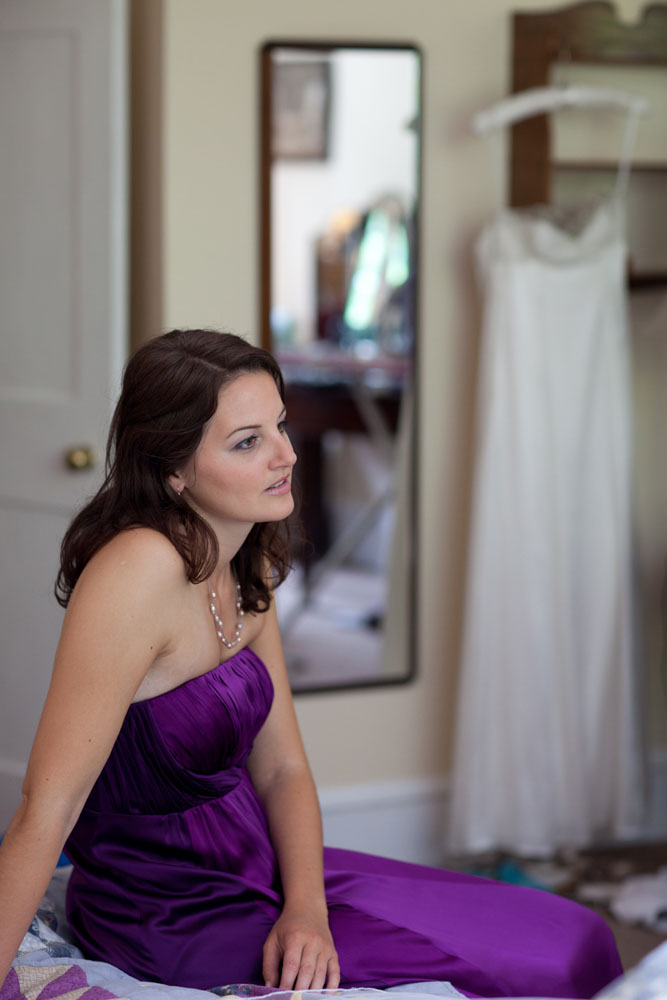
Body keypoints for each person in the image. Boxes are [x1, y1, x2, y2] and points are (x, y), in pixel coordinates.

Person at [0, 330, 622, 998]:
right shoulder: (134, 573)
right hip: (170, 916)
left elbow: (283, 768)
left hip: (262, 869)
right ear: (173, 468)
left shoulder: (245, 554)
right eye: (248, 441)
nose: (286, 454)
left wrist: (306, 910)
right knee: (532, 970)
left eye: (280, 425)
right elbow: (49, 806)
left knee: (572, 934)